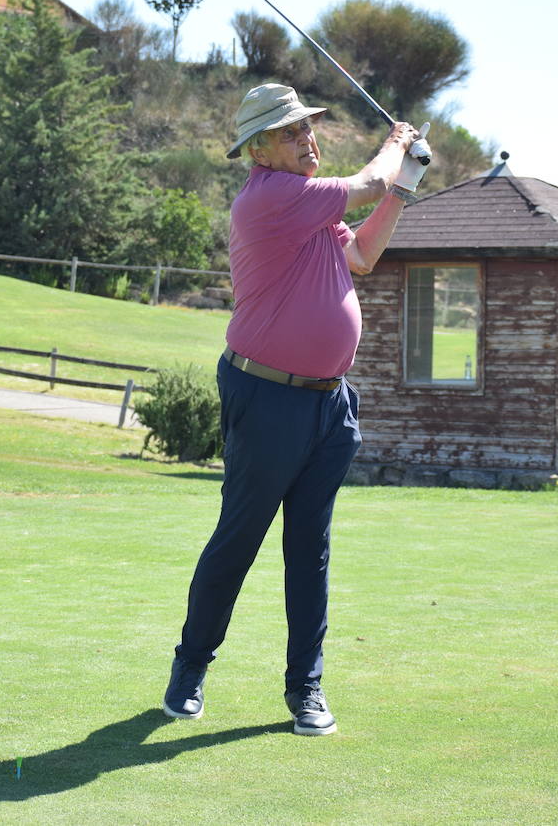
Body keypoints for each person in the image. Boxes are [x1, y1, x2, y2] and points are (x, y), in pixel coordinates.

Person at [161, 84, 426, 737]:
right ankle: (190, 669)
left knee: (310, 549)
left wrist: (408, 181)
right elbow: (366, 180)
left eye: (309, 128)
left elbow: (360, 255)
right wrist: (395, 148)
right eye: (290, 133)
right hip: (267, 395)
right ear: (258, 148)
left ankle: (305, 689)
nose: (307, 139)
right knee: (239, 541)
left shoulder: (307, 208)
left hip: (328, 403)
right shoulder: (271, 200)